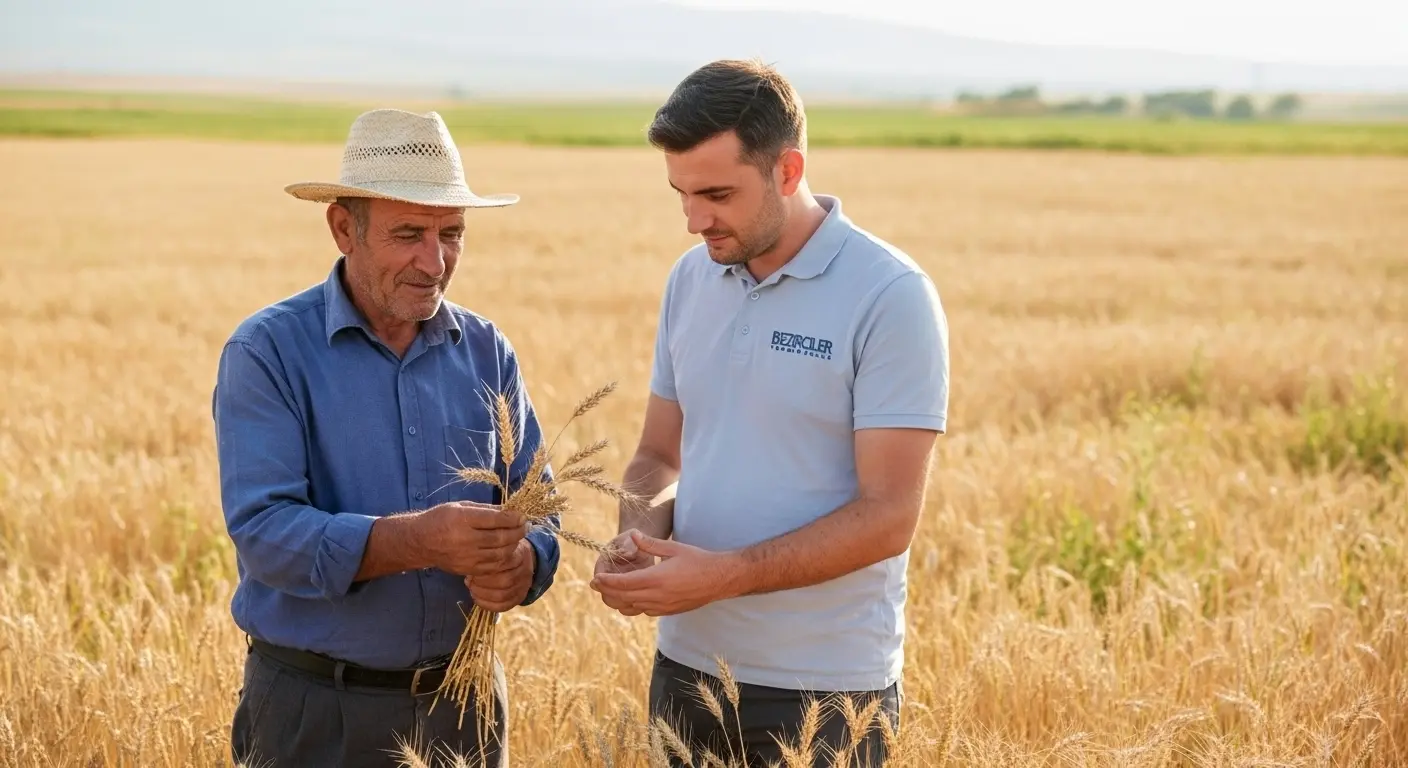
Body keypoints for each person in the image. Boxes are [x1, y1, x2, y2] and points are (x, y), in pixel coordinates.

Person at [589, 59, 950, 767]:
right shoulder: (690, 279)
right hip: (685, 672)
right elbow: (660, 455)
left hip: (825, 695)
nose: (694, 220)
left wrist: (724, 574)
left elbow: (889, 515)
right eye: (681, 194)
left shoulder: (890, 296)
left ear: (788, 170)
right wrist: (635, 538)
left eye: (717, 193)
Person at [212, 108, 559, 768]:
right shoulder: (267, 352)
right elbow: (264, 534)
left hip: (465, 711)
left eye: (451, 234)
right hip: (314, 718)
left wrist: (525, 567)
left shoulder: (487, 350)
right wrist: (417, 540)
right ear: (344, 228)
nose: (435, 262)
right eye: (409, 234)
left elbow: (536, 505)